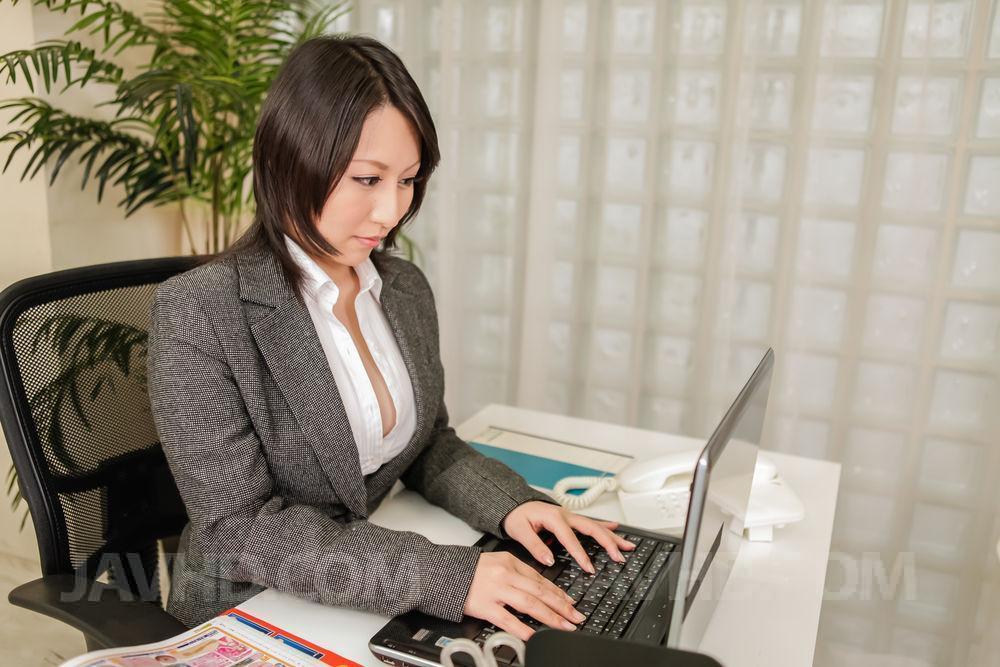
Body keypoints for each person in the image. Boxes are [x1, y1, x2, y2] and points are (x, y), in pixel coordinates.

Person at [147, 34, 634, 642]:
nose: (391, 212)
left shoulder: (402, 289)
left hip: (371, 593)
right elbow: (238, 530)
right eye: (368, 179)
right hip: (252, 609)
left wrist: (514, 506)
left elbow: (429, 445)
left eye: (407, 180)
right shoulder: (200, 311)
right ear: (289, 162)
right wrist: (446, 576)